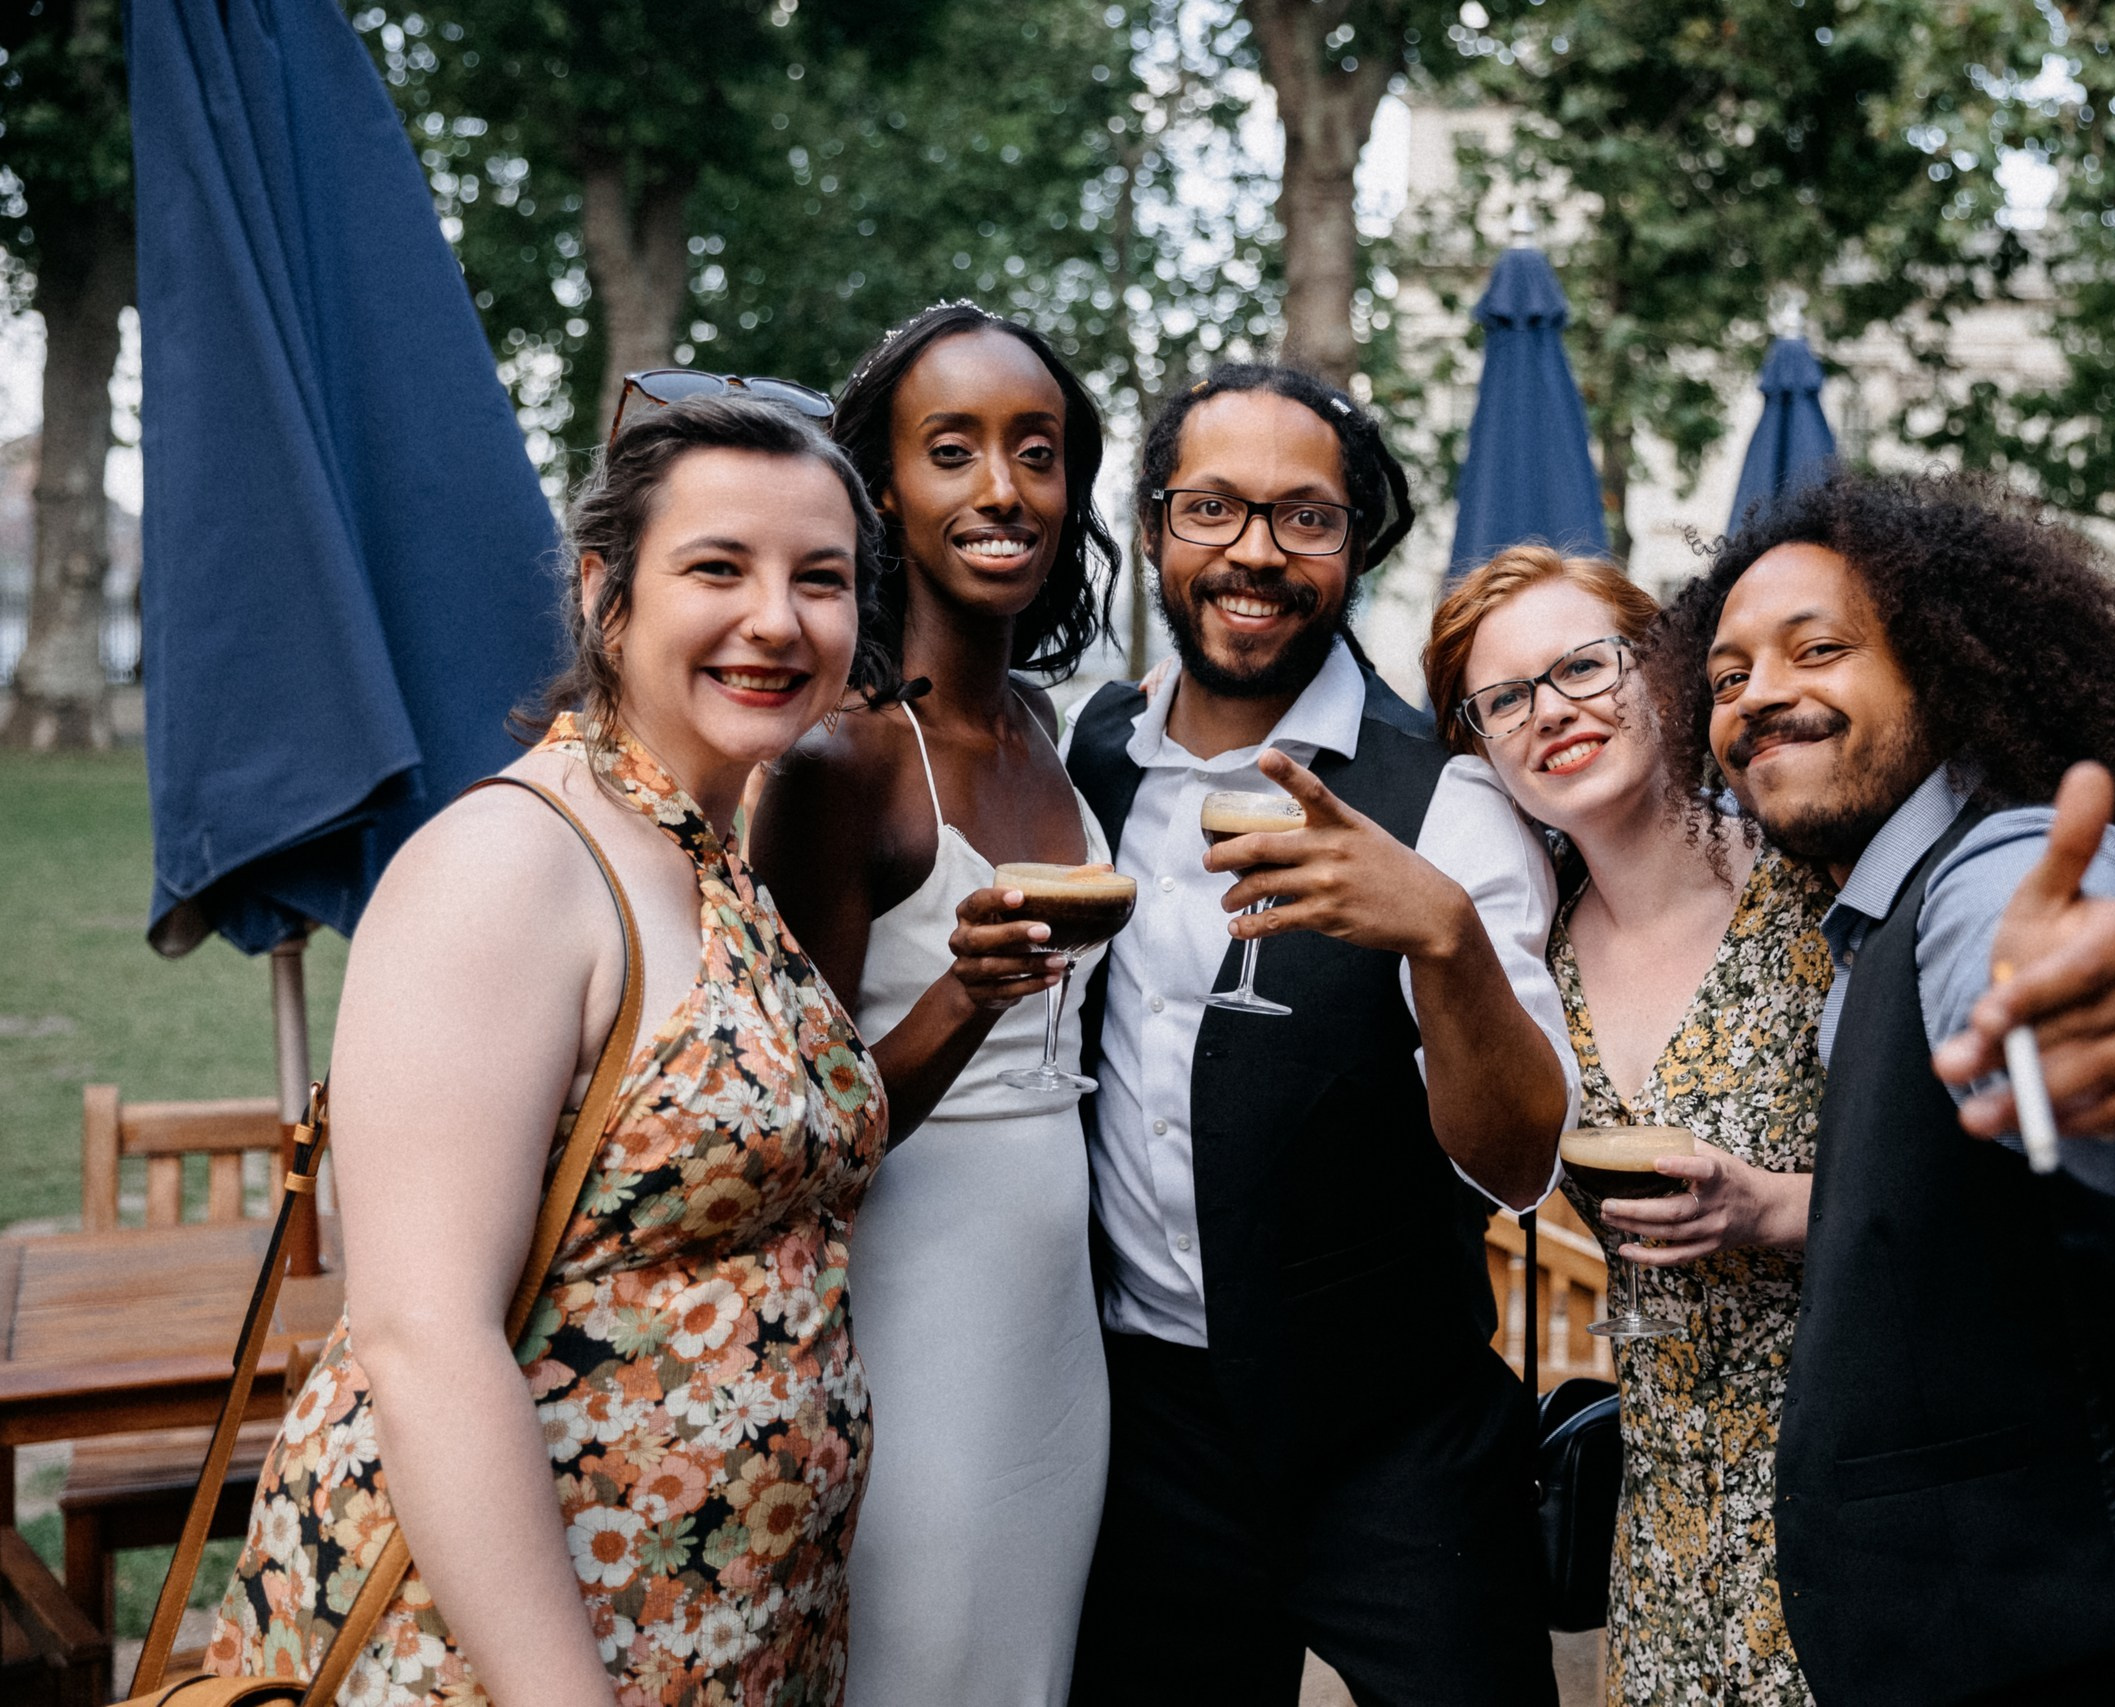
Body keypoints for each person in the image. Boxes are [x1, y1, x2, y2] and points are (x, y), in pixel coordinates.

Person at [210, 391, 896, 1704]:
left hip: (722, 1626)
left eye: (822, 578)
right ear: (605, 593)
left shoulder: (708, 849)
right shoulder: (510, 860)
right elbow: (422, 1331)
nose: (777, 617)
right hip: (504, 1650)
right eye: (717, 567)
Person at [1654, 470, 2115, 1705]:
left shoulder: (2006, 863)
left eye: (1819, 649)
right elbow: (1966, 1209)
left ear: (1945, 663)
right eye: (1724, 677)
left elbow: (2082, 1069)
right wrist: (1776, 1206)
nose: (1757, 694)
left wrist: (2089, 1058)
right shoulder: (1871, 907)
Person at [1061, 364, 1578, 1706]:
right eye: (1212, 508)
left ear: (1356, 544)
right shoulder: (1093, 758)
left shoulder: (1448, 798)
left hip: (1393, 1433)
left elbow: (1522, 1160)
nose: (1254, 552)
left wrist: (1447, 938)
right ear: (1158, 526)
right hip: (1145, 1430)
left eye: (1306, 518)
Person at [750, 301, 1121, 1705]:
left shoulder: (1048, 724)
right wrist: (968, 991)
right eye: (951, 449)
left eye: (1036, 450)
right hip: (914, 1304)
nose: (1002, 488)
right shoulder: (842, 758)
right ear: (883, 488)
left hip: (1056, 1320)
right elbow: (798, 1129)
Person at [1422, 546, 1826, 1707]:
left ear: (1664, 670)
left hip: (1856, 1493)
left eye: (1583, 667)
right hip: (1664, 1525)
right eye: (1505, 700)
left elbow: (1978, 1183)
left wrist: (1776, 1206)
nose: (1551, 712)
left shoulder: (1815, 886)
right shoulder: (1530, 970)